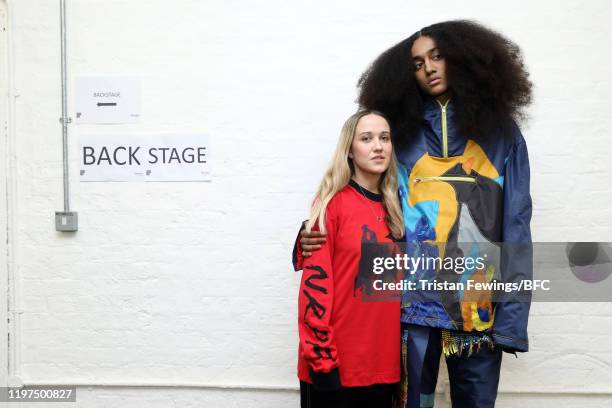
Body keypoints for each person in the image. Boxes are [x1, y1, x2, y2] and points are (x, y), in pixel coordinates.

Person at [295, 20, 533, 408]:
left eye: (438, 57)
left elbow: (517, 225)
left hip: (478, 312)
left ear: (464, 60)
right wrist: (308, 237)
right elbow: (360, 202)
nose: (429, 68)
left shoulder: (501, 135)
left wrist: (512, 318)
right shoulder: (398, 135)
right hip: (409, 311)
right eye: (418, 63)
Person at [297, 110, 404, 408]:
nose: (378, 146)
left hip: (383, 369)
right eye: (366, 139)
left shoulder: (397, 208)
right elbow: (314, 291)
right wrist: (322, 363)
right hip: (334, 368)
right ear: (350, 151)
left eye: (385, 138)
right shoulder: (331, 204)